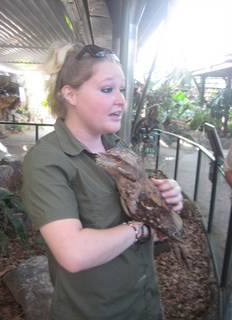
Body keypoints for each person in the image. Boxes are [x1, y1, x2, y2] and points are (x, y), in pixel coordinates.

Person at [22, 41, 183, 320]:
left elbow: (139, 202)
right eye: (108, 89)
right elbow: (74, 254)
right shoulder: (48, 160)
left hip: (143, 300)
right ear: (70, 95)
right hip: (97, 311)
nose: (121, 99)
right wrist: (141, 229)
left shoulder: (114, 143)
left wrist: (163, 199)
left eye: (122, 89)